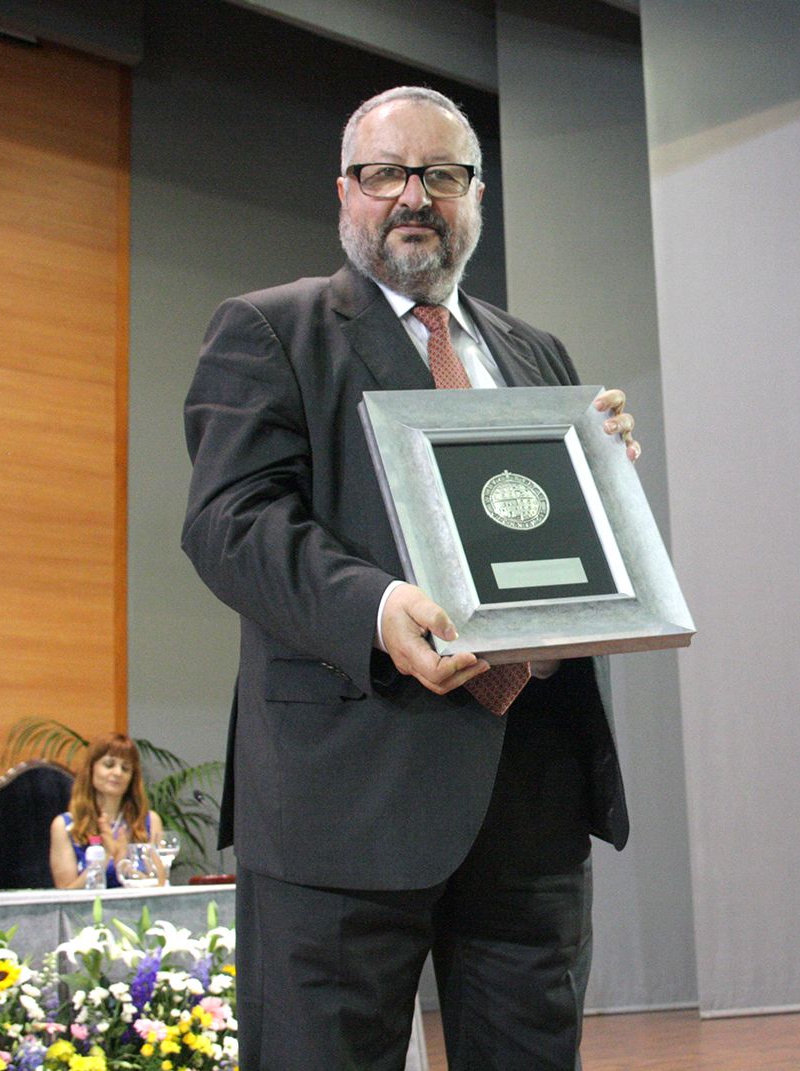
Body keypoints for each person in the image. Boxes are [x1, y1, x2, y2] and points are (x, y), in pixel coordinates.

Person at [181, 85, 639, 1070]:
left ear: (476, 196)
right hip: (339, 805)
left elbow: (537, 540)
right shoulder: (271, 331)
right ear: (345, 193)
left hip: (531, 802)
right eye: (386, 174)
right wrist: (376, 606)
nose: (414, 197)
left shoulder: (536, 351)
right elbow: (232, 520)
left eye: (441, 174)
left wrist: (604, 491)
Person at [49, 732, 163, 889]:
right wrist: (102, 859)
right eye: (109, 765)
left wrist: (122, 865)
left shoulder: (149, 821)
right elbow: (65, 895)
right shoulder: (65, 825)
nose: (118, 773)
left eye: (126, 768)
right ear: (91, 769)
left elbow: (160, 888)